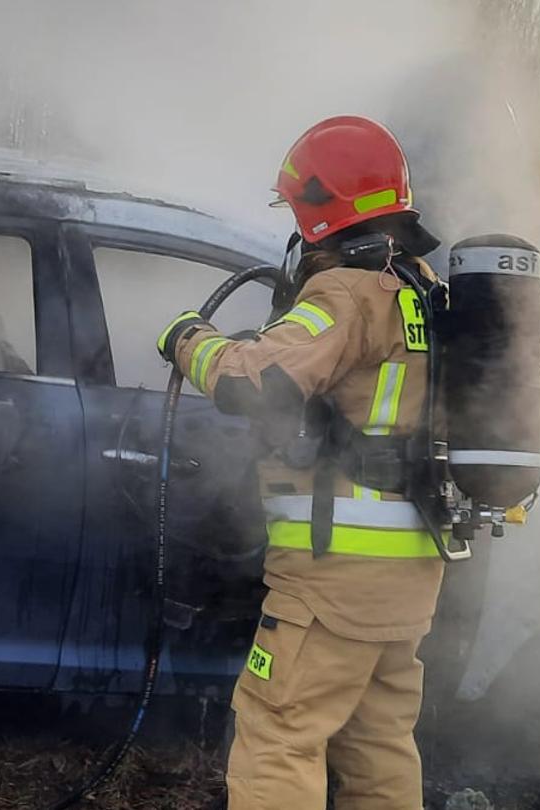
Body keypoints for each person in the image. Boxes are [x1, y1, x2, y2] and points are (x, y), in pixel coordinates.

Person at [158, 115, 446, 810]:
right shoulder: (422, 287)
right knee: (379, 748)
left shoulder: (348, 292)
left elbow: (252, 380)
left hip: (330, 581)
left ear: (323, 205)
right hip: (407, 573)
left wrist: (188, 340)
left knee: (278, 732)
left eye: (297, 206)